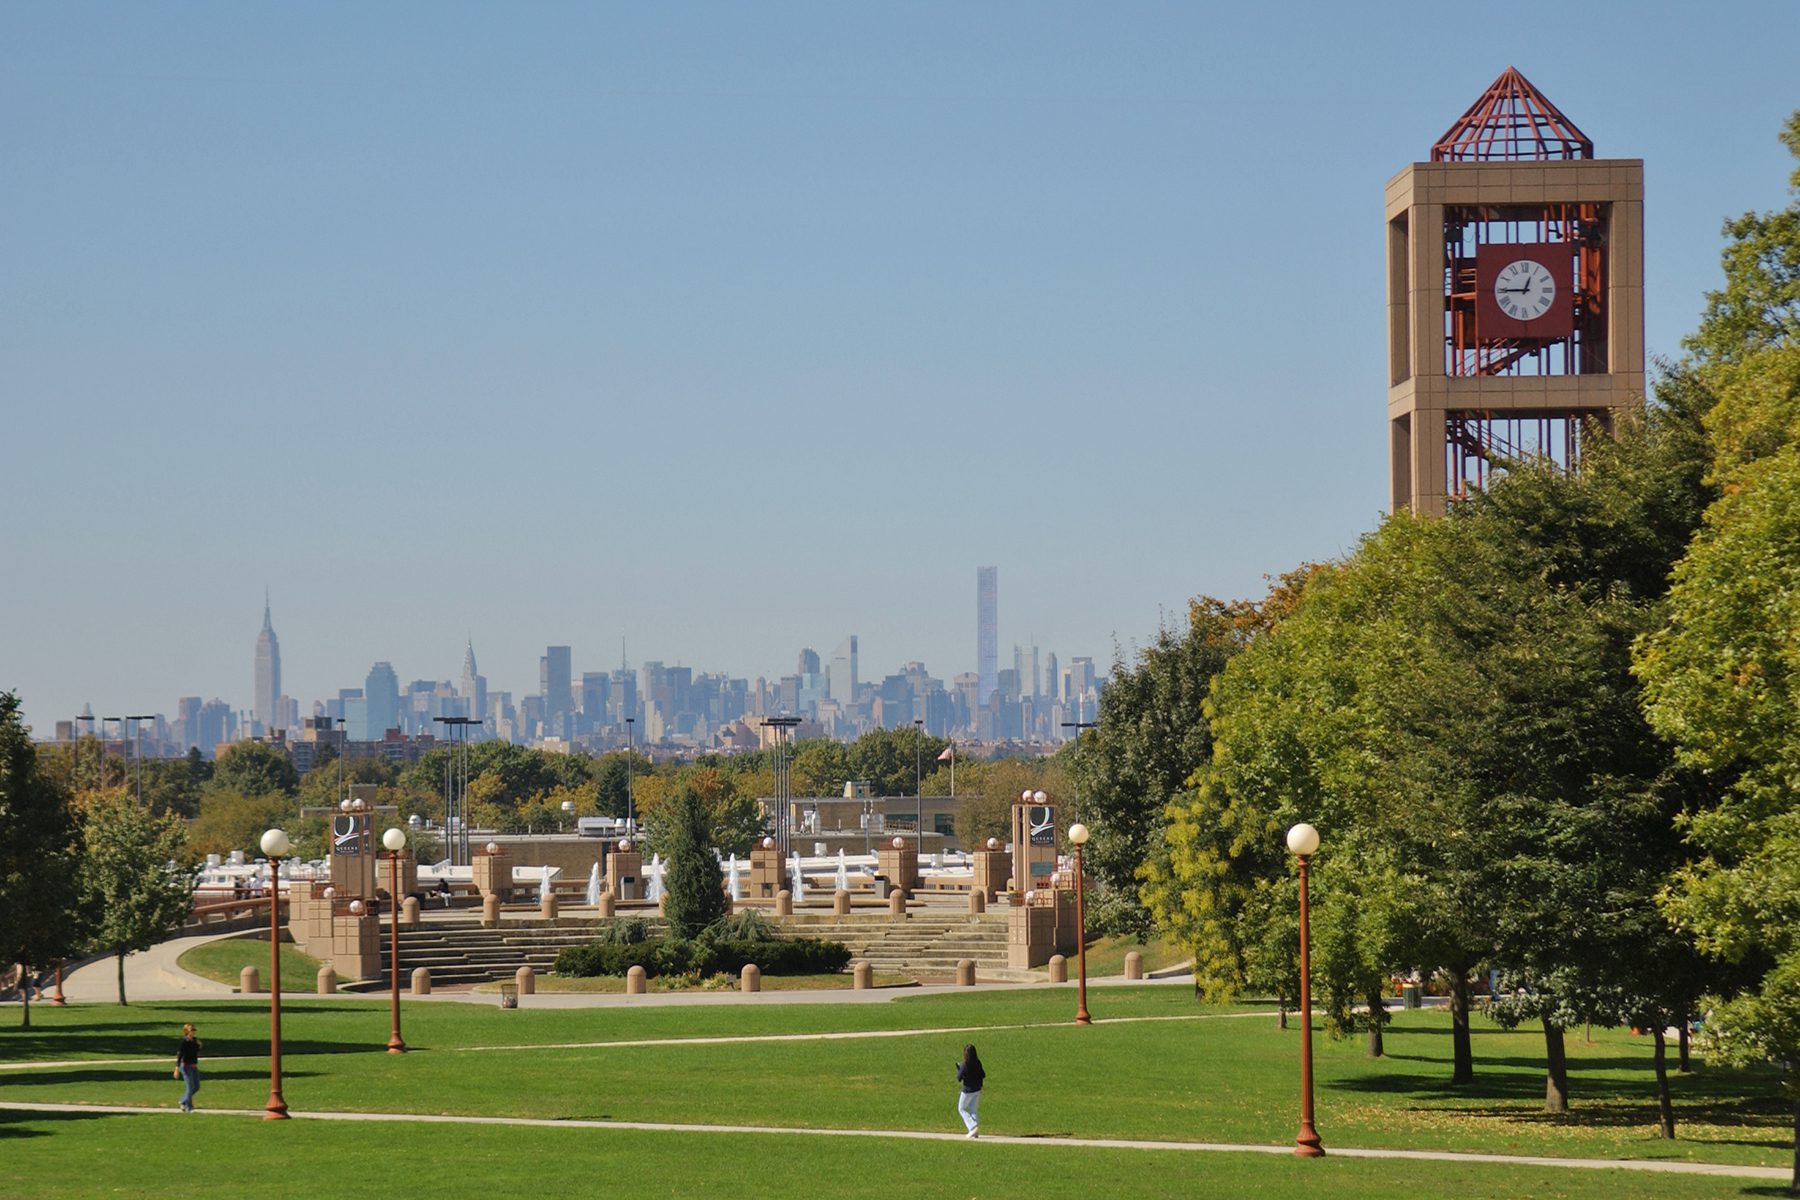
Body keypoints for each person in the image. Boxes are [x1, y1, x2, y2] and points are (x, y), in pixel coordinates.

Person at [955, 1043, 985, 1138]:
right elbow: (983, 1075)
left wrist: (959, 1070)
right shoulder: (978, 1062)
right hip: (977, 1089)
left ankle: (973, 1127)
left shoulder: (964, 1065)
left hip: (967, 1090)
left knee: (961, 1108)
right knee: (973, 1109)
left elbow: (959, 1078)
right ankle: (974, 1132)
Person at [175, 1023, 202, 1113]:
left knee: (196, 1087)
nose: (193, 1032)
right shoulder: (184, 1042)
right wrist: (177, 1068)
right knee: (190, 1087)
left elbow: (195, 1052)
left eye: (194, 1030)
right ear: (186, 1031)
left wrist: (199, 1046)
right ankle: (189, 1107)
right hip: (185, 1066)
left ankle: (183, 1100)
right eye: (191, 1030)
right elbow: (180, 1055)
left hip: (194, 1066)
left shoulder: (194, 1041)